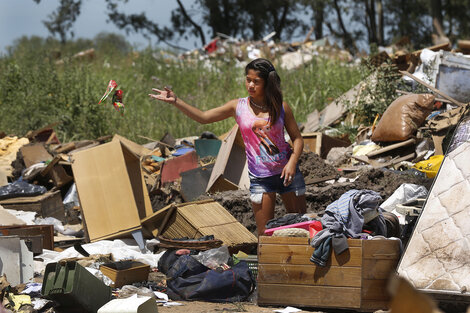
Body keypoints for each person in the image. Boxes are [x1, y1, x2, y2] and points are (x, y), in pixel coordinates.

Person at [149, 58, 306, 235]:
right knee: (265, 234)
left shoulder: (281, 107)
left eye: (256, 81)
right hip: (261, 178)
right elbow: (204, 117)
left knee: (300, 228)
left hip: (288, 174)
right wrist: (176, 101)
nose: (251, 85)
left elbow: (297, 139)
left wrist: (292, 163)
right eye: (248, 79)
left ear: (267, 82)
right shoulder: (238, 107)